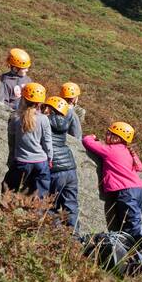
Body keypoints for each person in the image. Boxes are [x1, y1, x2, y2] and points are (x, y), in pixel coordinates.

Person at [83, 122, 142, 256]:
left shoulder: (110, 150)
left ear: (117, 138)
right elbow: (139, 167)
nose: (106, 134)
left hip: (125, 192)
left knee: (134, 227)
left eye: (109, 133)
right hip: (137, 190)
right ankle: (134, 253)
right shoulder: (128, 151)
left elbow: (87, 142)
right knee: (130, 224)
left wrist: (92, 136)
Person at [6, 82, 52, 197]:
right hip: (41, 163)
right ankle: (38, 214)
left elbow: (11, 142)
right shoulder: (43, 119)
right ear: (40, 102)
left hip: (21, 161)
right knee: (39, 196)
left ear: (23, 99)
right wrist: (50, 158)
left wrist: (11, 159)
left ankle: (9, 212)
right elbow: (47, 142)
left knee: (10, 191)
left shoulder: (15, 118)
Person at [45, 96, 81, 233]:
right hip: (70, 167)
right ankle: (75, 238)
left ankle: (58, 236)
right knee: (71, 206)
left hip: (55, 168)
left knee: (50, 206)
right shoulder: (65, 122)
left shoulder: (45, 121)